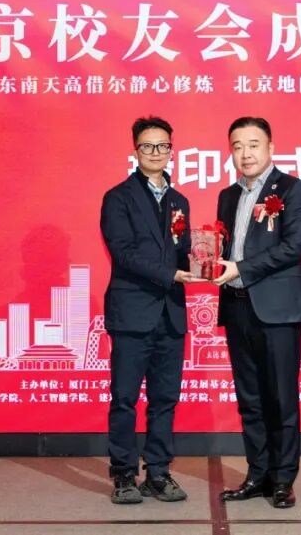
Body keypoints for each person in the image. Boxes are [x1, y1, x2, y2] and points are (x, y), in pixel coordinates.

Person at [213, 116, 301, 509]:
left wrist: (241, 268)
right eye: (237, 146)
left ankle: (283, 479)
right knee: (250, 398)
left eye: (253, 144)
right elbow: (224, 248)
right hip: (237, 307)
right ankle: (257, 475)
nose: (245, 153)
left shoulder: (291, 189)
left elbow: (295, 246)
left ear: (270, 148)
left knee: (281, 398)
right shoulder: (228, 195)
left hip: (277, 310)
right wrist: (207, 262)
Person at [100, 116, 199, 504]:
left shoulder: (179, 202)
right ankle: (124, 474)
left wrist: (206, 259)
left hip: (170, 314)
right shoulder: (118, 198)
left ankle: (158, 472)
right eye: (148, 146)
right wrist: (170, 273)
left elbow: (183, 250)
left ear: (172, 150)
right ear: (135, 150)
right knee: (125, 398)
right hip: (132, 313)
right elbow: (123, 253)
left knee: (165, 398)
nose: (156, 152)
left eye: (163, 146)